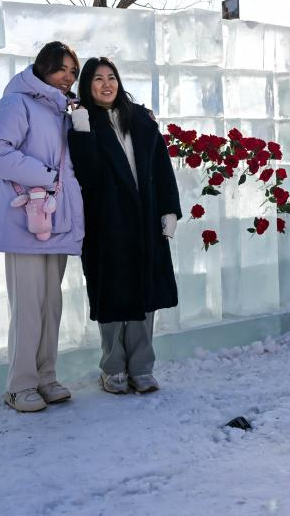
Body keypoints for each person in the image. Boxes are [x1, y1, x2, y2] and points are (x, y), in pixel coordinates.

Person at [68, 57, 182, 395]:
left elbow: (161, 168)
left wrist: (170, 210)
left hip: (145, 218)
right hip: (107, 221)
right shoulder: (83, 121)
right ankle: (113, 367)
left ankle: (142, 367)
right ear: (87, 86)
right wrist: (82, 128)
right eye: (97, 79)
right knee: (113, 297)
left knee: (145, 296)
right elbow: (86, 175)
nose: (106, 84)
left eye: (111, 77)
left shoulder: (143, 121)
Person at [0, 41, 85, 413]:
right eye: (61, 69)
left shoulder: (64, 111)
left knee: (50, 304)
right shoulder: (17, 102)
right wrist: (44, 176)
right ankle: (19, 384)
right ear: (43, 68)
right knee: (27, 305)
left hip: (54, 218)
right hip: (23, 217)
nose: (67, 78)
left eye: (73, 72)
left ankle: (46, 376)